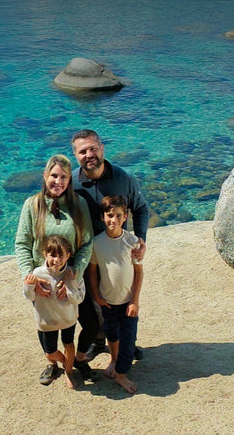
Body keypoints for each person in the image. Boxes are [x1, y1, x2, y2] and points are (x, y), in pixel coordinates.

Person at [70, 129, 148, 364]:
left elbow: (140, 208)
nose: (89, 155)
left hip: (118, 250)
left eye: (93, 148)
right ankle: (98, 340)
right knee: (94, 302)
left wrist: (141, 238)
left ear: (102, 149)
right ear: (75, 155)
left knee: (123, 294)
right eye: (83, 151)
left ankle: (126, 341)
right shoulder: (71, 182)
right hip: (87, 252)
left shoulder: (123, 178)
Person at [14, 154, 94, 385]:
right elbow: (22, 244)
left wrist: (75, 272)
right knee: (46, 326)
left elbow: (87, 243)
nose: (58, 181)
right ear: (45, 175)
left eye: (64, 177)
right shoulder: (32, 205)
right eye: (54, 176)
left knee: (85, 323)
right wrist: (30, 277)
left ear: (70, 180)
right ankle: (52, 363)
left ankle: (76, 361)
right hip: (43, 280)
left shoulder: (79, 204)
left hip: (70, 276)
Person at [87, 195, 143, 393]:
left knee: (128, 340)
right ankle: (114, 359)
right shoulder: (97, 243)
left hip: (127, 301)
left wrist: (135, 300)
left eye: (119, 215)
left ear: (126, 216)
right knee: (111, 334)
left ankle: (121, 374)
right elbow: (92, 272)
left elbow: (138, 272)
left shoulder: (131, 241)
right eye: (110, 215)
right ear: (102, 217)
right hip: (107, 301)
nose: (114, 220)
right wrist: (96, 296)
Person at [24, 235, 86, 389]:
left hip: (67, 318)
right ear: (45, 254)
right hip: (46, 320)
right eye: (53, 255)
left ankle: (69, 372)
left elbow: (78, 299)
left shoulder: (72, 273)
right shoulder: (37, 274)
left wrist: (70, 283)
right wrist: (29, 285)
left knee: (69, 343)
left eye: (61, 255)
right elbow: (30, 297)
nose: (57, 260)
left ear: (68, 255)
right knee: (50, 352)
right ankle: (65, 362)